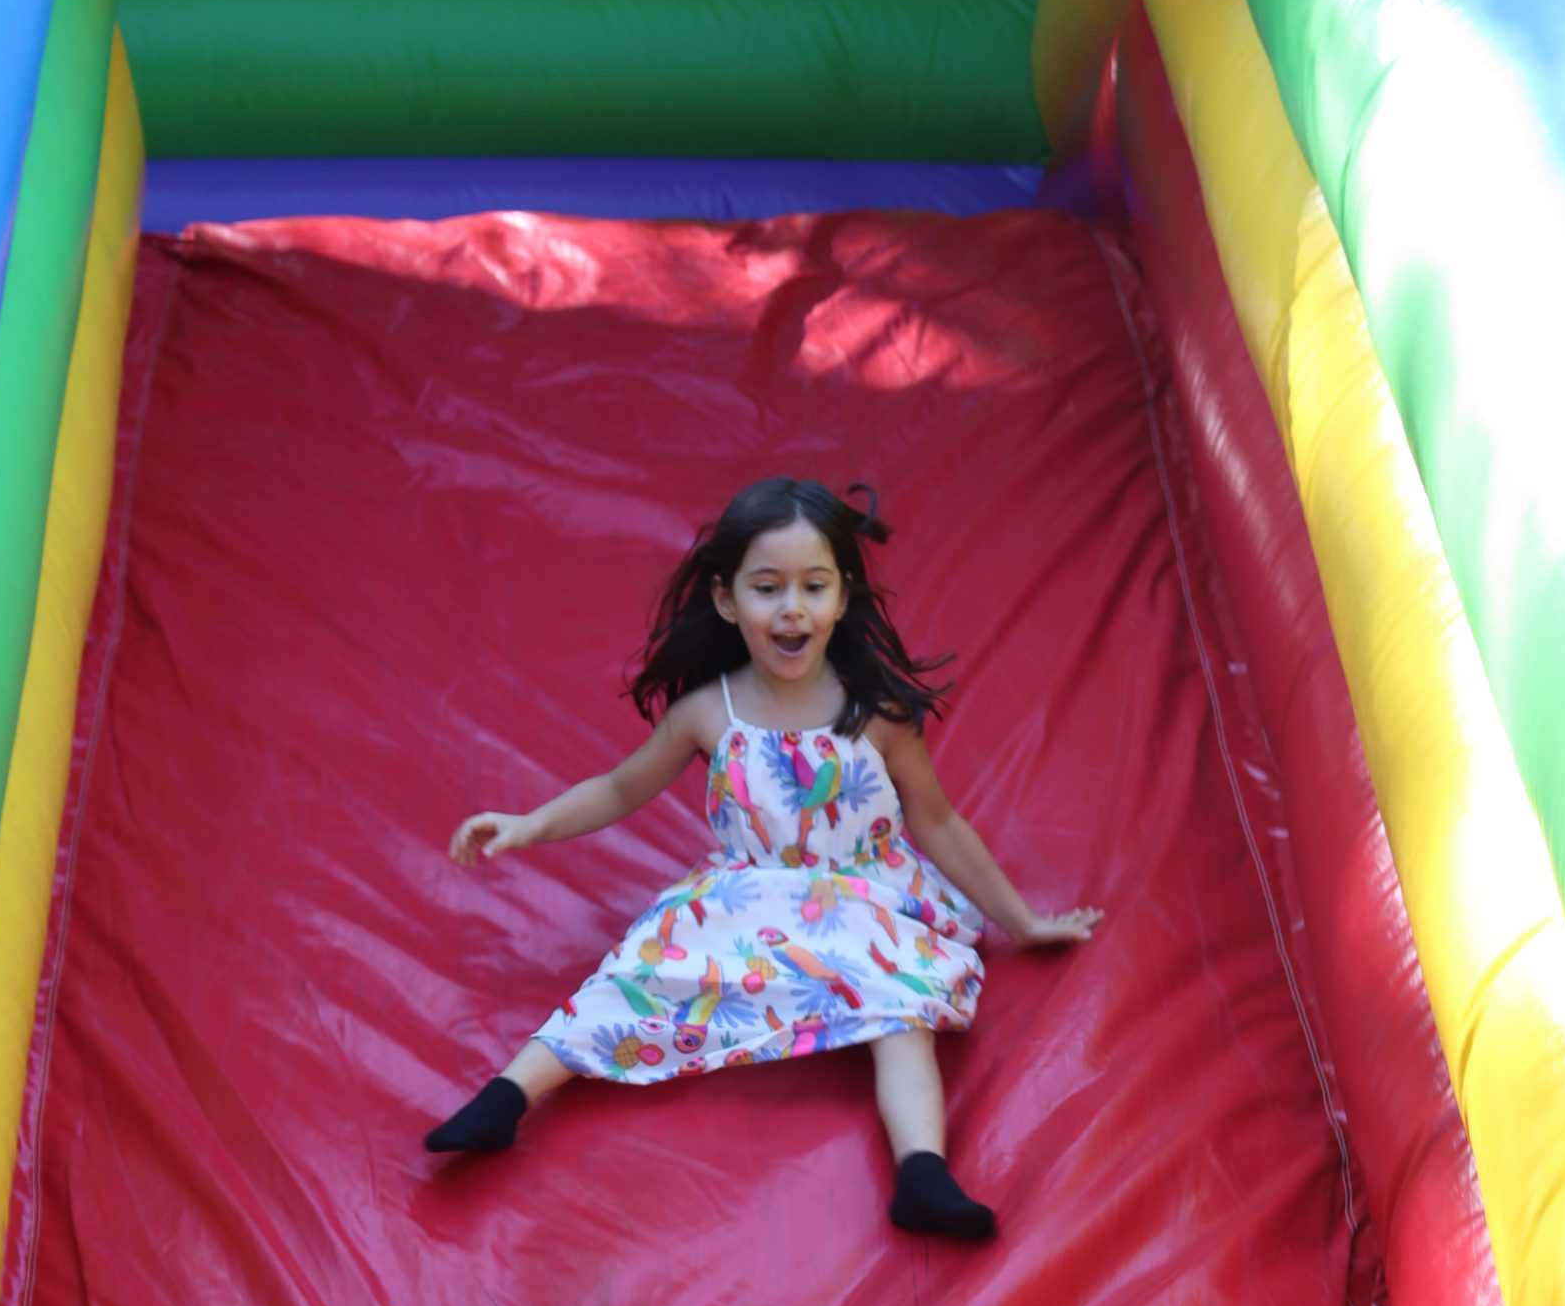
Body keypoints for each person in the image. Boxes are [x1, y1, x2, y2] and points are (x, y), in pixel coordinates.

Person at [426, 475, 1103, 1240]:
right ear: (726, 600)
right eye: (768, 588)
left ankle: (922, 1170)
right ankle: (509, 1096)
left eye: (814, 587)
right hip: (748, 898)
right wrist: (528, 823)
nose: (792, 608)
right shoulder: (709, 712)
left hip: (868, 895)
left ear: (843, 597)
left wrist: (1023, 920)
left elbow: (939, 823)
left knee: (899, 1008)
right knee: (640, 968)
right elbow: (620, 788)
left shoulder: (875, 714)